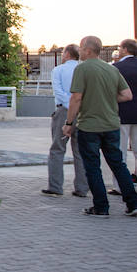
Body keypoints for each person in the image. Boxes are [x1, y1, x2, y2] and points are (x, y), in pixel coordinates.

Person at [62, 35, 137, 217]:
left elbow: (76, 98)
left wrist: (69, 123)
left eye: (81, 48)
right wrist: (108, 99)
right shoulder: (111, 69)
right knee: (118, 164)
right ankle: (133, 202)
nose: (79, 51)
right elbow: (127, 95)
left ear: (88, 50)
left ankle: (101, 207)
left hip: (90, 126)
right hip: (111, 124)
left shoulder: (83, 69)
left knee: (93, 167)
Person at [42, 44, 88, 197]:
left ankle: (55, 186)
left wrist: (70, 108)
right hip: (83, 111)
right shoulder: (84, 69)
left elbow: (58, 91)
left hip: (63, 111)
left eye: (63, 52)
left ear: (67, 54)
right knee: (80, 151)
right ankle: (82, 188)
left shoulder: (58, 70)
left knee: (57, 148)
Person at [112, 38, 137, 184]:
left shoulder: (117, 67)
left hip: (121, 113)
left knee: (120, 152)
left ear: (126, 49)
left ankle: (119, 185)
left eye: (120, 47)